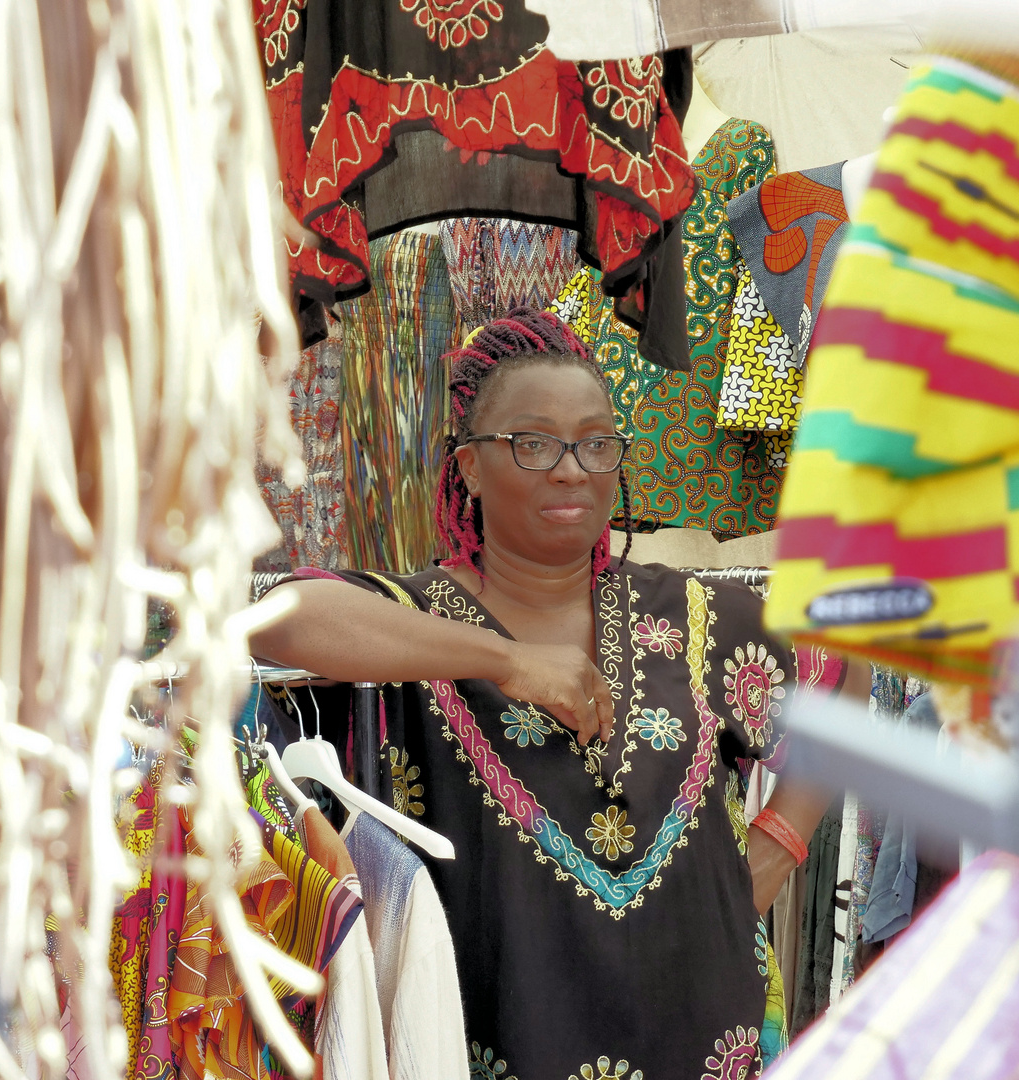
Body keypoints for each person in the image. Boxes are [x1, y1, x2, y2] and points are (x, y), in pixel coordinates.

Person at [251, 308, 848, 1080]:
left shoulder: (702, 613)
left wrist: (777, 846)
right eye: (531, 443)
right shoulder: (413, 621)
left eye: (597, 442)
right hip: (494, 1036)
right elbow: (278, 619)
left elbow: (840, 674)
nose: (571, 469)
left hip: (702, 1031)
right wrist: (506, 661)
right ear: (466, 465)